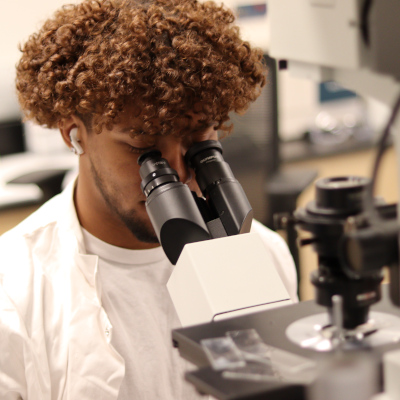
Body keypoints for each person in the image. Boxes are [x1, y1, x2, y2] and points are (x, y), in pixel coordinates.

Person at [0, 0, 298, 398]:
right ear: (74, 134)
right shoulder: (14, 295)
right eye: (143, 145)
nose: (178, 172)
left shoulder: (263, 254)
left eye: (199, 140)